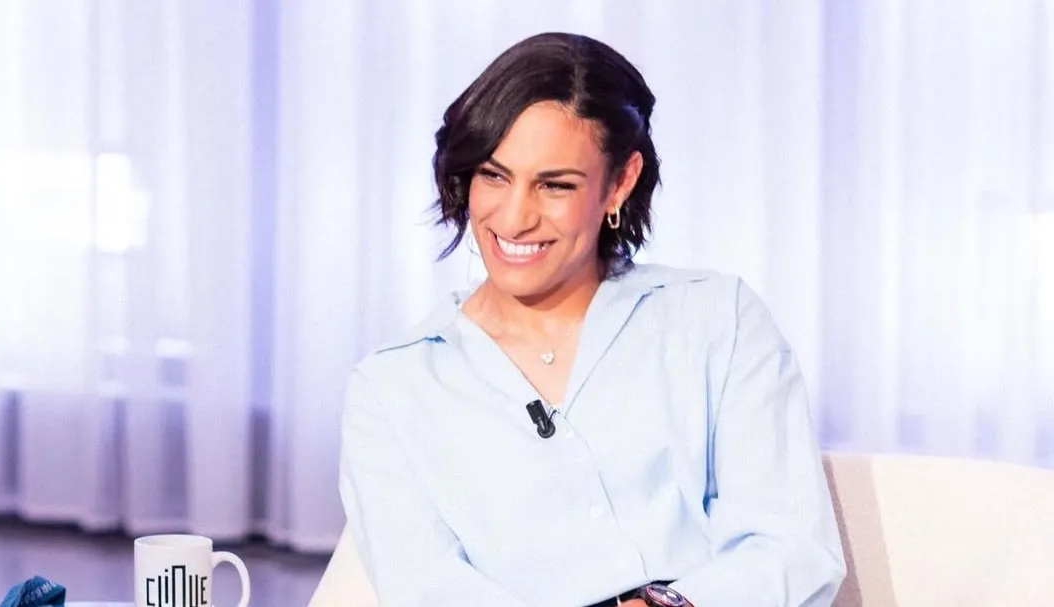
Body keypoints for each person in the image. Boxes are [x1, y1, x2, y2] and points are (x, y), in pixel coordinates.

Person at [338, 32, 845, 607]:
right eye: (494, 176)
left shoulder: (717, 321)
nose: (515, 217)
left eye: (554, 185)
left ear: (620, 182)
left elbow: (791, 547)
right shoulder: (392, 386)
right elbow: (428, 590)